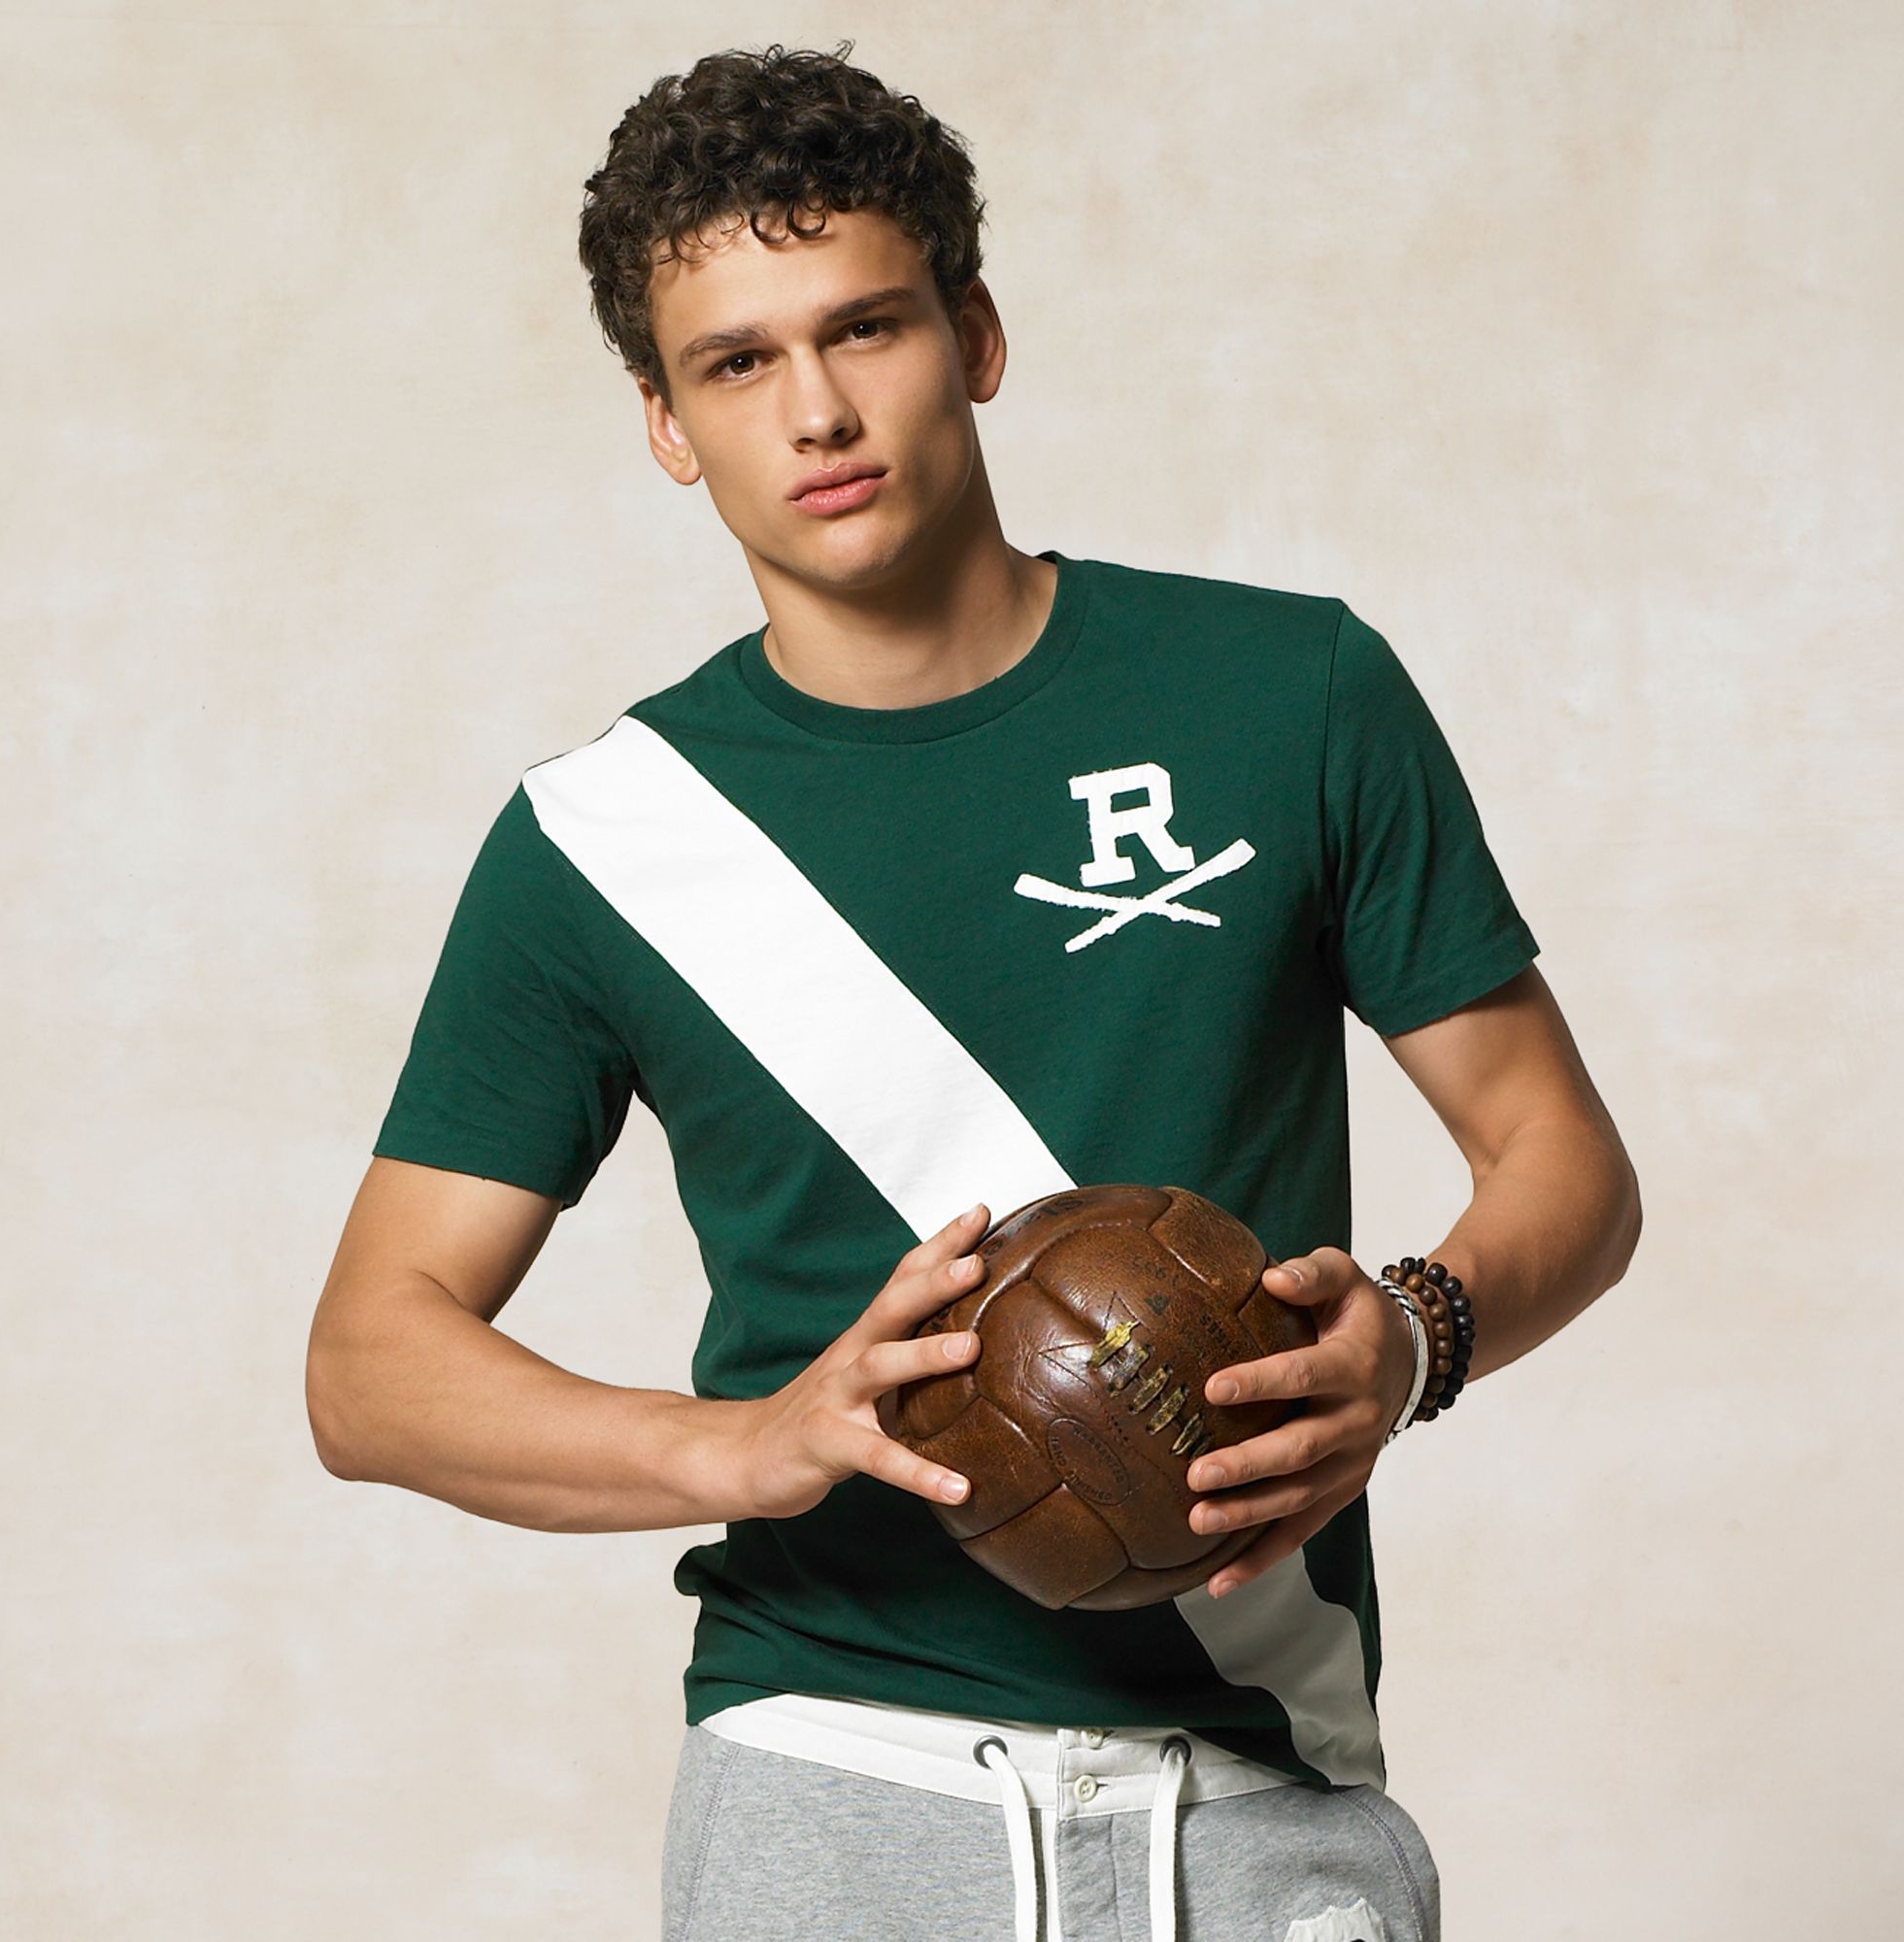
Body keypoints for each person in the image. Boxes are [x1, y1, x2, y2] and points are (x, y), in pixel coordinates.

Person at [306, 39, 1642, 1942]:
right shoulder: (605, 842)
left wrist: (1413, 1341)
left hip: (1257, 1778)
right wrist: (740, 1443)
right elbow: (370, 1368)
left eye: (866, 327)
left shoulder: (1288, 696)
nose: (818, 411)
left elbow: (1562, 1159)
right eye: (736, 363)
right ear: (667, 424)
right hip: (835, 1784)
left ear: (977, 336)